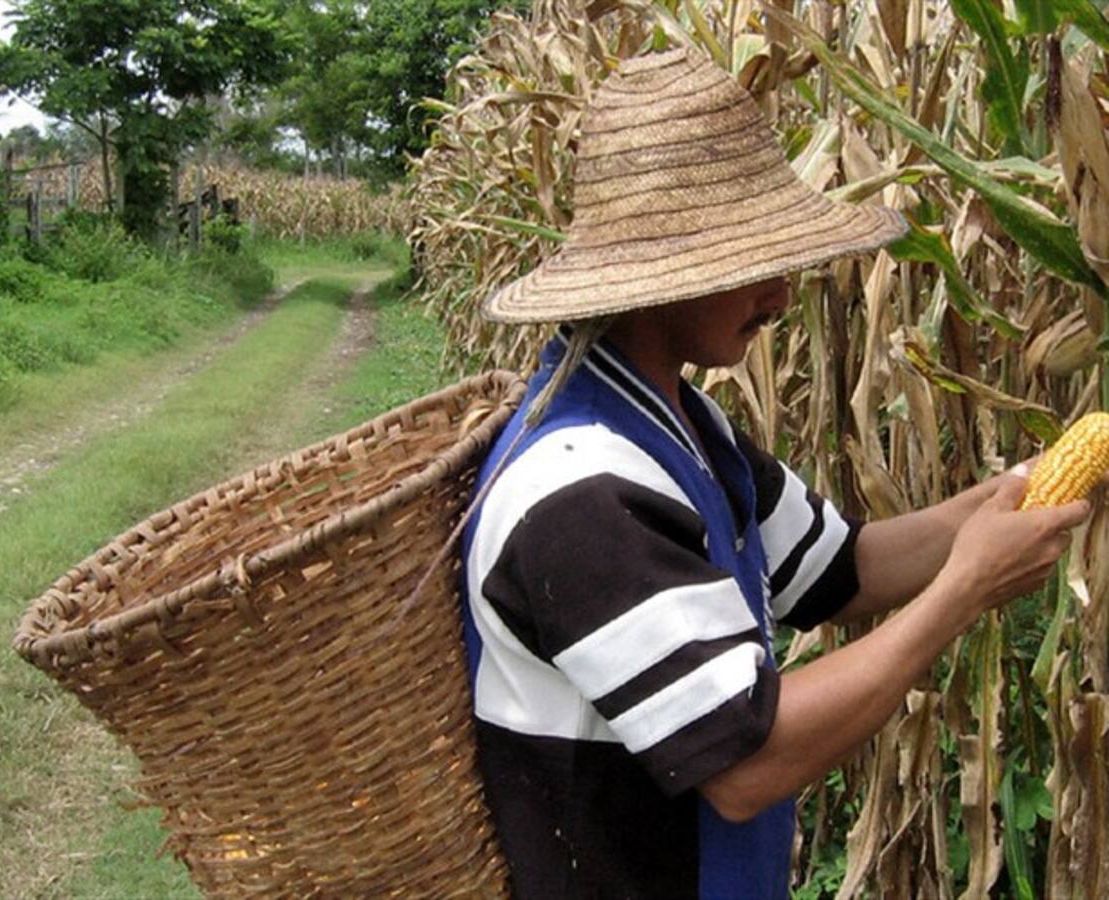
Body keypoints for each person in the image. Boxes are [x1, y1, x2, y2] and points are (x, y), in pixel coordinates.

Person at [458, 49, 1091, 899]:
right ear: (665, 277)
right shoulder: (581, 493)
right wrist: (966, 589)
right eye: (759, 267)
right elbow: (746, 762)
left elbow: (840, 570)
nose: (784, 297)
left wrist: (1032, 483)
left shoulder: (681, 426)